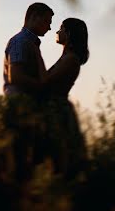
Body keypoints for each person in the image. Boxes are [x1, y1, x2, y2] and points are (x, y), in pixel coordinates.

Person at [3, 1, 54, 177]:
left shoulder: (30, 43)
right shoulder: (20, 41)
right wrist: (42, 87)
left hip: (27, 108)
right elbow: (15, 77)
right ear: (34, 17)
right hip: (20, 107)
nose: (49, 28)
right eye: (47, 22)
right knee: (22, 160)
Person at [42, 17, 89, 178]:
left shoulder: (70, 59)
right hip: (54, 107)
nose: (57, 31)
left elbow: (46, 81)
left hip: (57, 109)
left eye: (61, 28)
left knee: (62, 158)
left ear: (68, 34)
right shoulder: (67, 57)